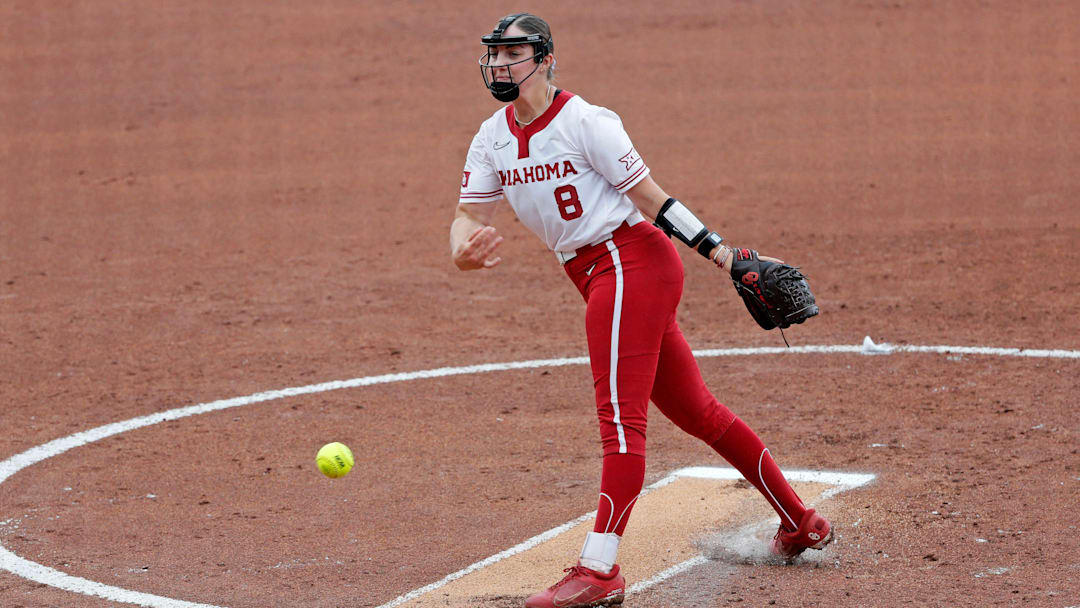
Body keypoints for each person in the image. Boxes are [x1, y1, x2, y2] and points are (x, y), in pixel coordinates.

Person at [450, 13, 832, 608]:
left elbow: (653, 200)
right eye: (494, 54)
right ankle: (799, 519)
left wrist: (724, 255)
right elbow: (469, 215)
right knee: (698, 412)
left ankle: (599, 570)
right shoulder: (491, 137)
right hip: (598, 275)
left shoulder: (587, 122)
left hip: (629, 265)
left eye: (513, 53)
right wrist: (462, 251)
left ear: (545, 60)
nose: (500, 64)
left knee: (620, 422)